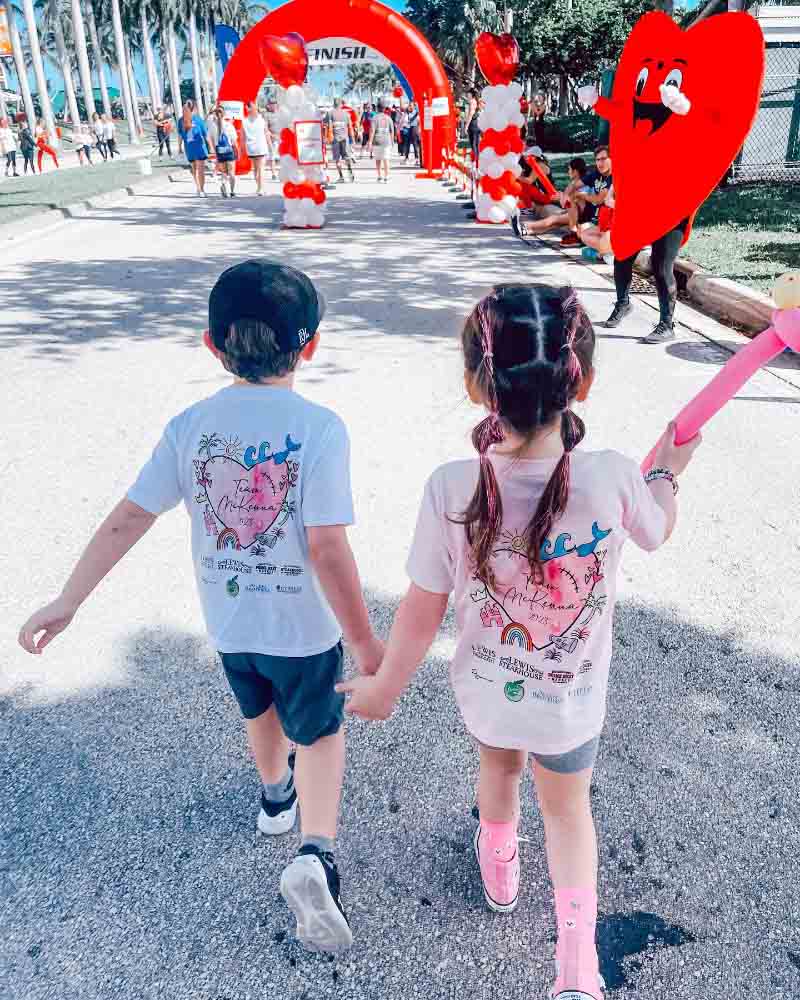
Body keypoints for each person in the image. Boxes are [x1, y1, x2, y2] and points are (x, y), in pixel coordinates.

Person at [336, 283, 700, 1000]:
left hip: (490, 691)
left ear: (477, 385)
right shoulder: (616, 476)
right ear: (583, 381)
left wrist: (384, 687)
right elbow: (656, 528)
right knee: (568, 812)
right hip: (569, 703)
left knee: (499, 773)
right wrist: (664, 473)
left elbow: (420, 608)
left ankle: (501, 869)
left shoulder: (451, 486)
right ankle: (575, 967)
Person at [18, 258, 384, 957]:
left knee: (259, 712)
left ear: (211, 345)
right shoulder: (320, 427)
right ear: (309, 346)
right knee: (323, 730)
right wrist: (367, 644)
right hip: (304, 631)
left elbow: (131, 515)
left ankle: (275, 798)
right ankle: (316, 852)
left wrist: (69, 599)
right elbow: (328, 548)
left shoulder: (190, 425)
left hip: (231, 623)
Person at [606, 214, 690, 344]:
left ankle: (667, 325)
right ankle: (623, 303)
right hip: (641, 208)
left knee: (661, 268)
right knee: (622, 256)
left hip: (674, 209)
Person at [512, 156, 590, 239]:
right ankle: (526, 231)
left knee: (554, 219)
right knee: (554, 224)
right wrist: (562, 196)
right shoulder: (576, 182)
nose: (568, 172)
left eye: (569, 169)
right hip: (575, 212)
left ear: (575, 171)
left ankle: (524, 226)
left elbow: (579, 200)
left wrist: (563, 197)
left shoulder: (580, 183)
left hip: (580, 215)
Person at [177, 100, 209, 197]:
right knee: (200, 170)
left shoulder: (180, 120)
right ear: (194, 108)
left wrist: (179, 147)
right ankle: (202, 190)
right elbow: (205, 134)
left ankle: (198, 188)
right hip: (199, 147)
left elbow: (180, 136)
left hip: (189, 148)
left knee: (194, 169)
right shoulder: (198, 119)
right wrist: (211, 146)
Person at [208, 106, 238, 198]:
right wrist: (236, 150)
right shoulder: (229, 125)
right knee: (232, 172)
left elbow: (210, 139)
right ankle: (232, 192)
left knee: (224, 172)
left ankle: (223, 184)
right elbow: (234, 140)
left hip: (219, 151)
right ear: (224, 114)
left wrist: (213, 150)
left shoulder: (212, 126)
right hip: (229, 151)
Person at [243, 101, 269, 195]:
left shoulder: (244, 121)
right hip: (261, 146)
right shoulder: (262, 120)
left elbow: (242, 137)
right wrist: (270, 146)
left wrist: (242, 149)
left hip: (250, 147)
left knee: (255, 168)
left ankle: (258, 187)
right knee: (261, 168)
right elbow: (266, 133)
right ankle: (261, 188)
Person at [327, 97, 355, 184]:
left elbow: (327, 124)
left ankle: (341, 176)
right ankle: (350, 172)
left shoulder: (330, 113)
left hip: (335, 138)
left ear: (334, 104)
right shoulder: (346, 114)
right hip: (345, 138)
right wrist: (352, 139)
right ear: (341, 104)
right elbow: (350, 127)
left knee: (337, 158)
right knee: (347, 156)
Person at [368, 99, 395, 183]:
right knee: (386, 159)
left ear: (377, 108)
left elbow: (372, 130)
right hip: (386, 142)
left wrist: (370, 142)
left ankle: (379, 176)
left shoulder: (374, 118)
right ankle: (386, 177)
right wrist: (392, 141)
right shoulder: (388, 118)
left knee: (378, 159)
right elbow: (392, 131)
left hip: (377, 141)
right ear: (384, 108)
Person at [404, 101, 421, 166]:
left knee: (415, 144)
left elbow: (418, 108)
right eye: (409, 105)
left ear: (414, 106)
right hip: (408, 128)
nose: (410, 106)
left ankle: (416, 159)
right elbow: (402, 107)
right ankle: (406, 158)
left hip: (414, 128)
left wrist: (416, 103)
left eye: (411, 105)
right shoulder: (407, 112)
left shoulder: (416, 112)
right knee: (407, 144)